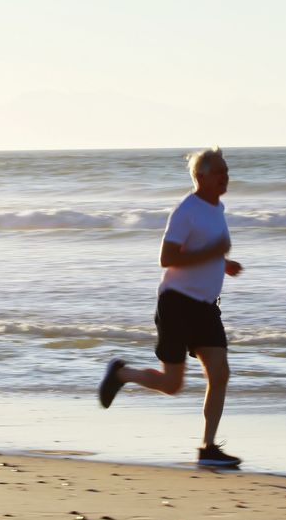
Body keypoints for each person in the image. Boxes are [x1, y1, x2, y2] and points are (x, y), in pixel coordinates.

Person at [98, 146, 244, 467]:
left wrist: (223, 263)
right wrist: (214, 254)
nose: (226, 176)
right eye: (220, 171)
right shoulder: (186, 210)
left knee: (220, 374)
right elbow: (168, 258)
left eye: (227, 170)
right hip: (177, 304)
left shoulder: (217, 208)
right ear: (200, 176)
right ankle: (122, 374)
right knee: (172, 384)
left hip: (206, 307)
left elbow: (202, 251)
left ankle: (208, 448)